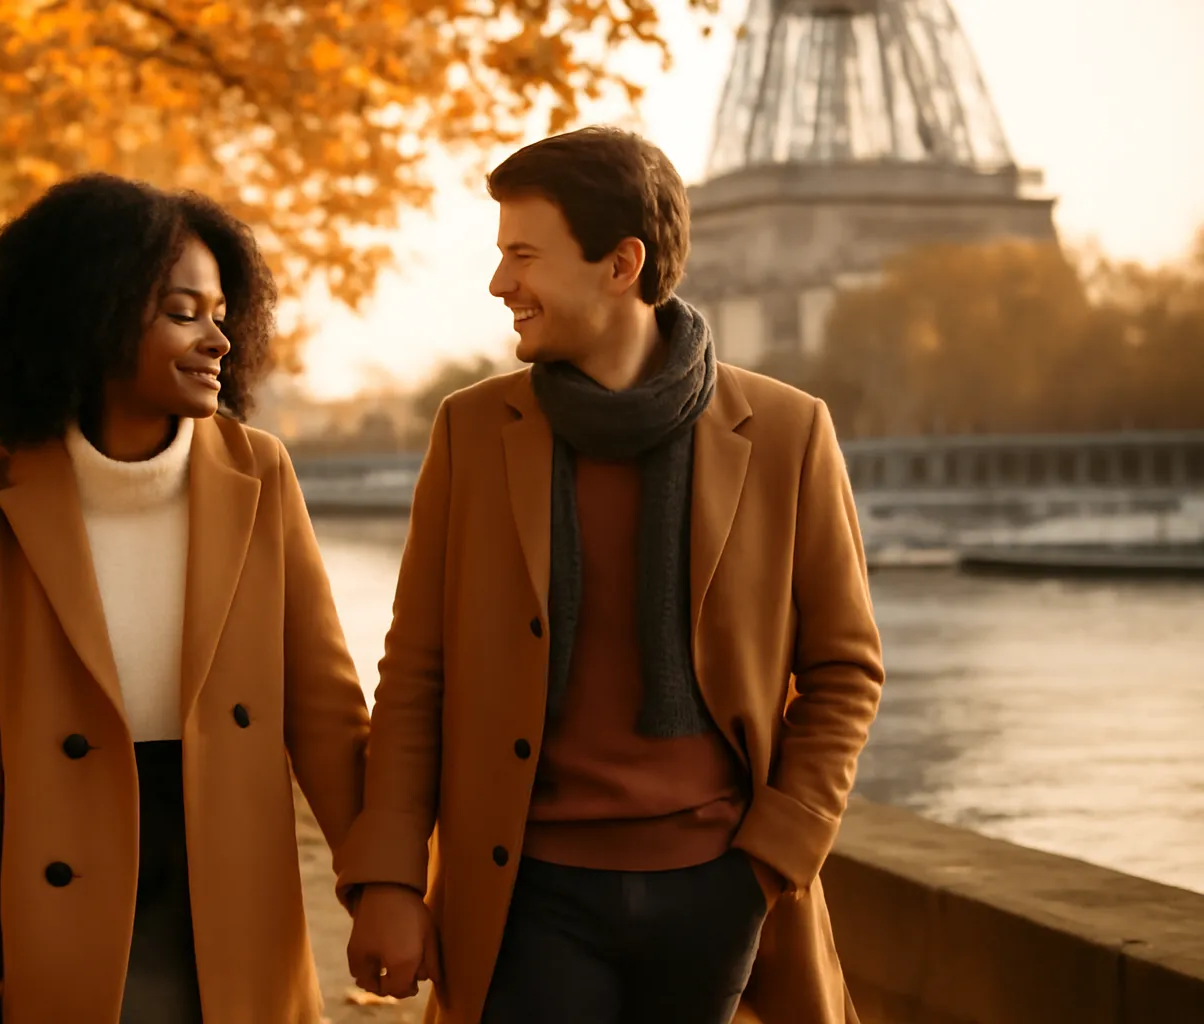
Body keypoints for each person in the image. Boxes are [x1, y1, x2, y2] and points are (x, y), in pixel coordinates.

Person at [339, 127, 886, 1024]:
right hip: (524, 897)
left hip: (719, 891)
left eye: (523, 255)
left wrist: (772, 859)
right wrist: (391, 877)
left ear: (621, 264)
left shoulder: (788, 432)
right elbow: (415, 677)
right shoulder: (471, 431)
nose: (499, 283)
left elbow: (844, 669)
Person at [0, 173, 369, 1024]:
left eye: (222, 315)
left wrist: (386, 885)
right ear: (92, 315)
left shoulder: (262, 473)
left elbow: (328, 716)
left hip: (232, 880)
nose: (218, 341)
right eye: (182, 313)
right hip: (66, 892)